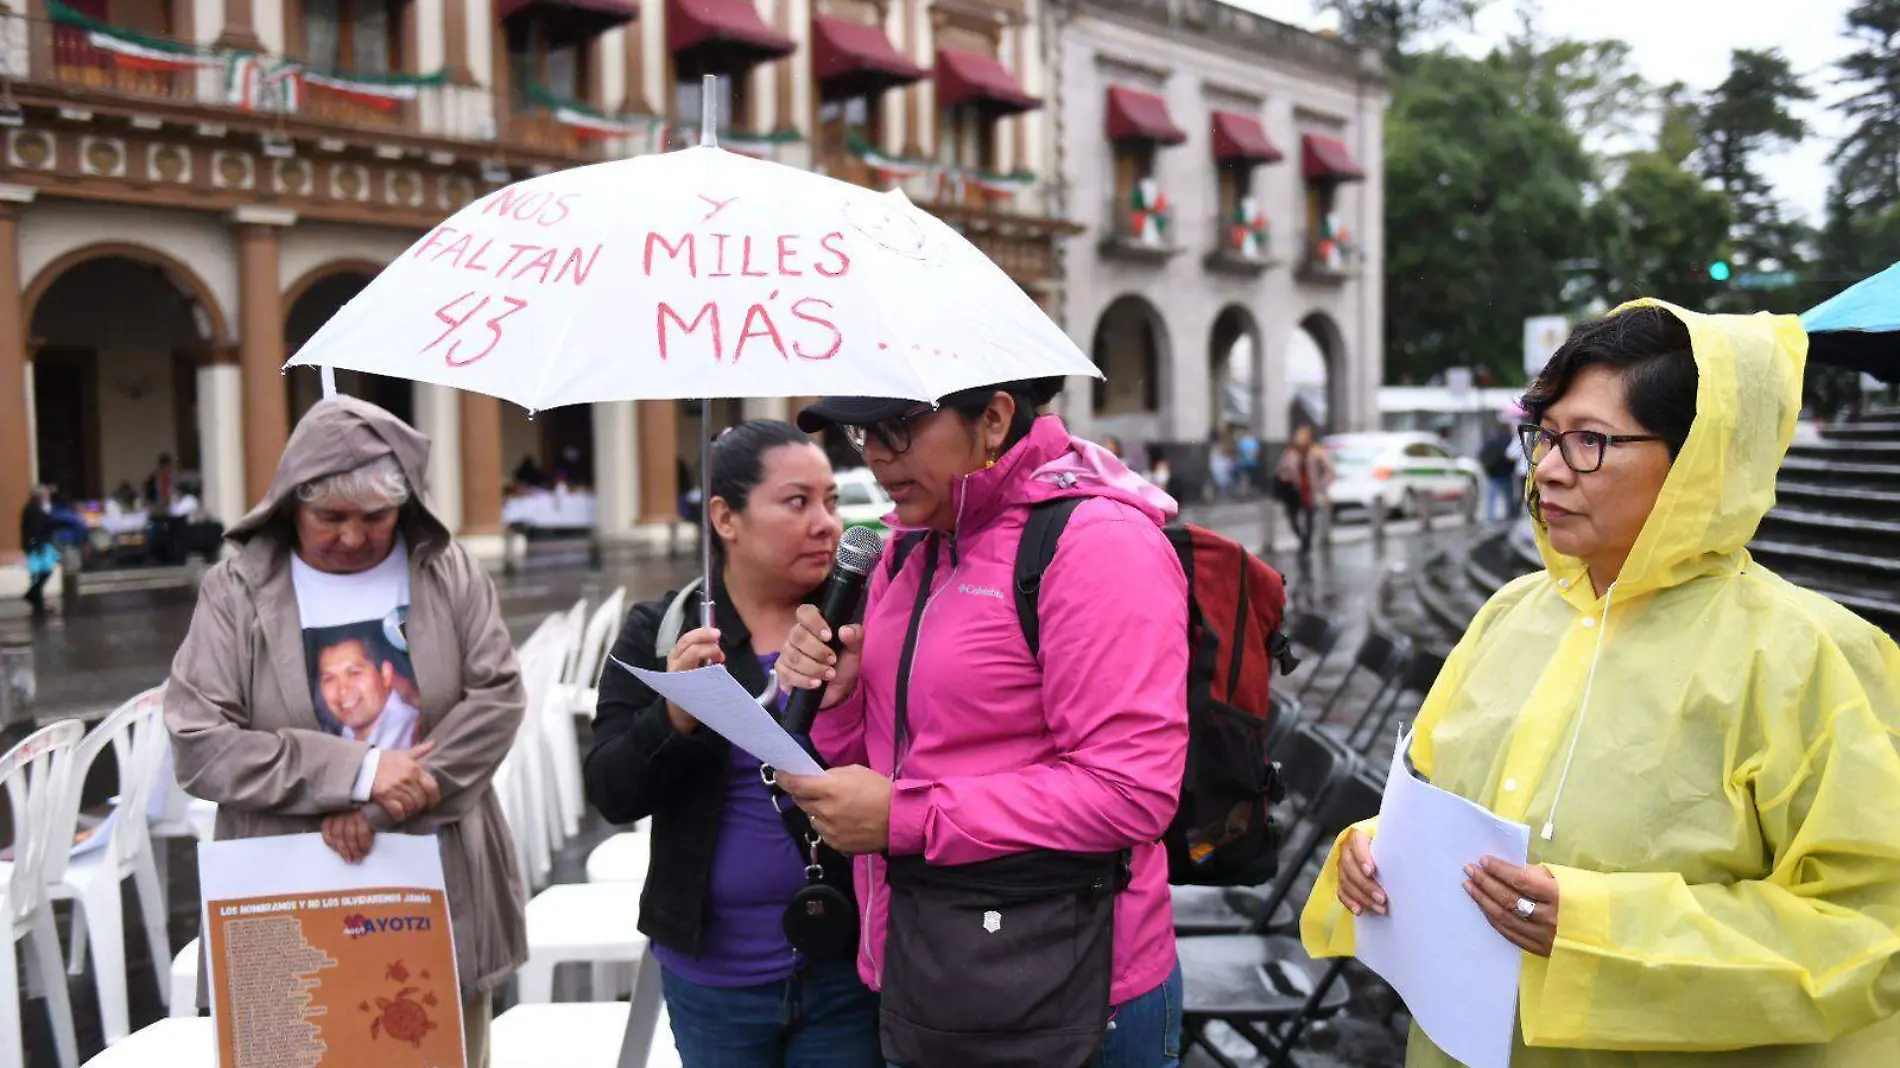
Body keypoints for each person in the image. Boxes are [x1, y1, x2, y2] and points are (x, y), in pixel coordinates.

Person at [1302, 302, 1900, 1067]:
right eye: (1545, 436)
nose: (1548, 468)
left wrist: (1594, 929)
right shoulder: (1512, 614)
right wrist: (1376, 851)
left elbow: (1866, 931)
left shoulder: (1810, 656)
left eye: (1590, 441)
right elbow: (1430, 797)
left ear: (1697, 460)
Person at [777, 378, 1189, 1067]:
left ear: (993, 419)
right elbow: (885, 763)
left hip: (1071, 990)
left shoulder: (1096, 544)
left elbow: (1130, 792)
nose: (876, 455)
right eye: (863, 434)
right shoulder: (907, 549)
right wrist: (843, 698)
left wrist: (904, 819)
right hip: (927, 966)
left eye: (899, 427)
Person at [166, 396, 528, 1066]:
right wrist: (357, 771)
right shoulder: (238, 589)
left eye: (376, 518)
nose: (354, 537)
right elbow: (199, 739)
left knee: (431, 1046)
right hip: (286, 881)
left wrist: (379, 805)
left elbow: (499, 697)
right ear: (291, 506)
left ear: (406, 508)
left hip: (430, 875)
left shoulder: (447, 572)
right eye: (330, 518)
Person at [587, 420, 880, 1068]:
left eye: (832, 501)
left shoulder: (859, 629)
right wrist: (673, 716)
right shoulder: (661, 631)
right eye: (797, 502)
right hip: (712, 977)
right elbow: (610, 789)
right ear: (726, 516)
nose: (827, 523)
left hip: (845, 963)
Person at [1273, 424, 1332, 554]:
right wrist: (1286, 478)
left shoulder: (1316, 452)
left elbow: (1329, 470)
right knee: (1292, 517)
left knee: (1309, 516)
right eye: (1299, 436)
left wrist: (1322, 484)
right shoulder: (1290, 453)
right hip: (1294, 490)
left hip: (1311, 489)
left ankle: (1307, 542)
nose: (1300, 439)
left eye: (1304, 435)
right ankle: (1302, 538)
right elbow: (1281, 470)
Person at [19, 485, 56, 619]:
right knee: (44, 571)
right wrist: (37, 545)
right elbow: (35, 529)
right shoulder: (35, 510)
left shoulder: (31, 508)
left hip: (35, 545)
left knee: (40, 573)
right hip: (37, 546)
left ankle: (38, 603)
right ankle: (33, 595)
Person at [1478, 422, 1519, 523]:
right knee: (1508, 497)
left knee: (1491, 497)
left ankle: (1489, 518)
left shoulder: (1490, 439)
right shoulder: (1507, 439)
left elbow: (1480, 454)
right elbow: (1511, 455)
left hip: (1492, 473)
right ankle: (1509, 518)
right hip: (1505, 473)